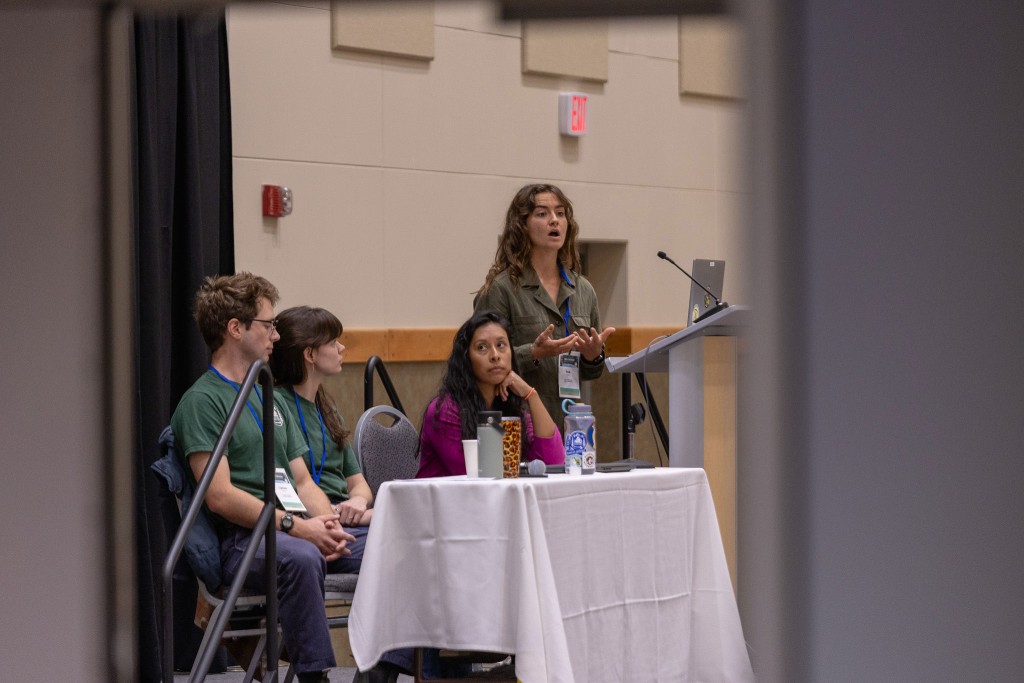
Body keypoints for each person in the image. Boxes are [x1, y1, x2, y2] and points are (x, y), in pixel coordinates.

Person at [171, 273, 351, 683]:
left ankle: (389, 669)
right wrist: (298, 527)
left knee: (382, 545)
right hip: (243, 539)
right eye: (268, 325)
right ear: (236, 329)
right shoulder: (202, 401)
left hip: (292, 526)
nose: (276, 334)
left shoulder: (265, 391)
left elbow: (302, 483)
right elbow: (219, 497)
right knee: (302, 557)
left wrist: (329, 526)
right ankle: (315, 676)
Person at [474, 183, 615, 423]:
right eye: (542, 213)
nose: (554, 221)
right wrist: (535, 352)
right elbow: (481, 362)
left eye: (560, 213)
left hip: (569, 423)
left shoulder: (583, 290)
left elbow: (592, 372)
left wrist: (594, 357)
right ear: (522, 225)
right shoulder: (502, 289)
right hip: (518, 421)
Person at [418, 310, 564, 478]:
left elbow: (553, 463)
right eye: (482, 347)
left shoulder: (510, 408)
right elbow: (475, 477)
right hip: (445, 502)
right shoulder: (446, 410)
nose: (495, 356)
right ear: (467, 358)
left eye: (501, 345)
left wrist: (531, 394)